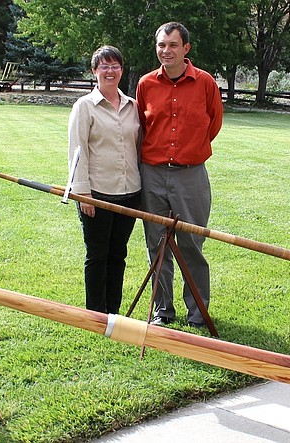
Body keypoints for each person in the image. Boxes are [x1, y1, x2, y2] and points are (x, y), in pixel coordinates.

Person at [136, 22, 224, 327]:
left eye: (172, 45)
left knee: (191, 244)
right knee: (156, 245)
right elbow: (142, 127)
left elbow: (213, 124)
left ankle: (198, 313)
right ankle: (163, 311)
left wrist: (189, 151)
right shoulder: (146, 84)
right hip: (153, 174)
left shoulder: (205, 83)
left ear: (185, 48)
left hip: (191, 176)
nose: (166, 51)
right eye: (161, 45)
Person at [68, 45, 142, 314]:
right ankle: (95, 313)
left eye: (115, 66)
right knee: (97, 256)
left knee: (118, 254)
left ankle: (113, 312)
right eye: (104, 66)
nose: (110, 71)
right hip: (96, 194)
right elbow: (77, 151)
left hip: (129, 193)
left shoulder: (133, 106)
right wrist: (82, 193)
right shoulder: (84, 107)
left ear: (122, 70)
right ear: (94, 71)